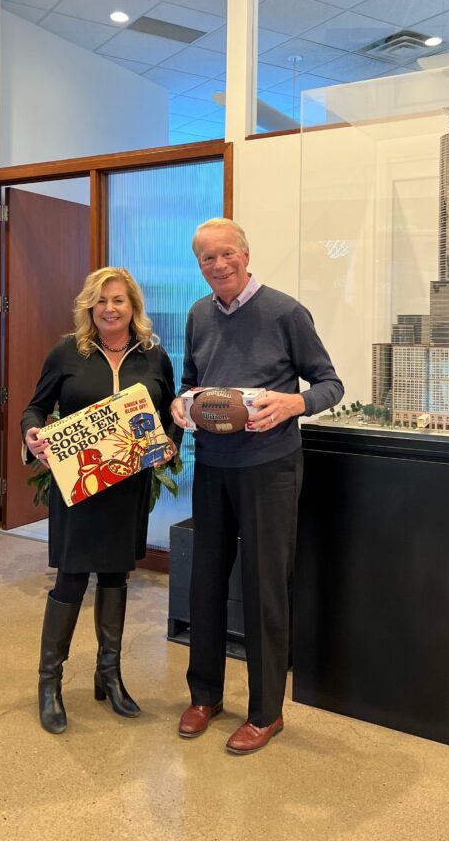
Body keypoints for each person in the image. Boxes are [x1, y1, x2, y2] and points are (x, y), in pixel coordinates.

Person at [171, 217, 344, 755]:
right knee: (205, 582)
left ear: (245, 254)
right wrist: (182, 405)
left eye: (226, 254)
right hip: (214, 465)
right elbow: (189, 381)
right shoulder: (198, 314)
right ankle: (204, 695)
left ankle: (267, 711)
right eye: (207, 259)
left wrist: (294, 403)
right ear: (198, 265)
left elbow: (330, 384)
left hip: (271, 466)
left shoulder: (286, 312)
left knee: (265, 585)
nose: (218, 265)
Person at [22, 267, 178, 735]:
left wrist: (169, 445)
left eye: (119, 300)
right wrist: (33, 437)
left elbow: (170, 412)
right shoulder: (67, 352)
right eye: (101, 301)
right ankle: (49, 682)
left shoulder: (154, 357)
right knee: (70, 577)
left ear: (133, 306)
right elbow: (35, 406)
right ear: (89, 306)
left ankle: (108, 675)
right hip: (78, 484)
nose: (110, 309)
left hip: (127, 485)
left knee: (115, 575)